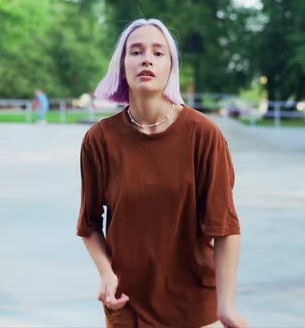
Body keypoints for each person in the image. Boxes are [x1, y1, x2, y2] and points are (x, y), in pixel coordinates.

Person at [76, 18, 248, 328]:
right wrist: (107, 274)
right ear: (122, 65)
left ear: (171, 67)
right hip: (127, 308)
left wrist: (226, 307)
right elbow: (89, 225)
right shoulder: (99, 141)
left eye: (158, 53)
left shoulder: (203, 135)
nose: (146, 59)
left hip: (194, 309)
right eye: (136, 51)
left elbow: (224, 226)